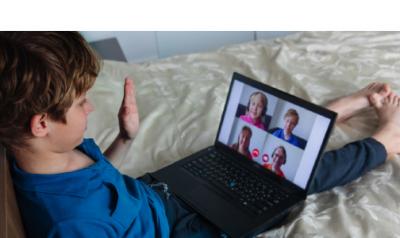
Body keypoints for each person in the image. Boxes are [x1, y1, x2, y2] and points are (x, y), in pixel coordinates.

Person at [1, 32, 400, 237]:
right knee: (289, 178)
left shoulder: (50, 152)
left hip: (158, 194)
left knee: (241, 152)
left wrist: (125, 138)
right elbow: (91, 210)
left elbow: (98, 179)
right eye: (80, 102)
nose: (89, 108)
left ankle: (332, 113)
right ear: (41, 123)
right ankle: (384, 142)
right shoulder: (71, 226)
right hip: (184, 230)